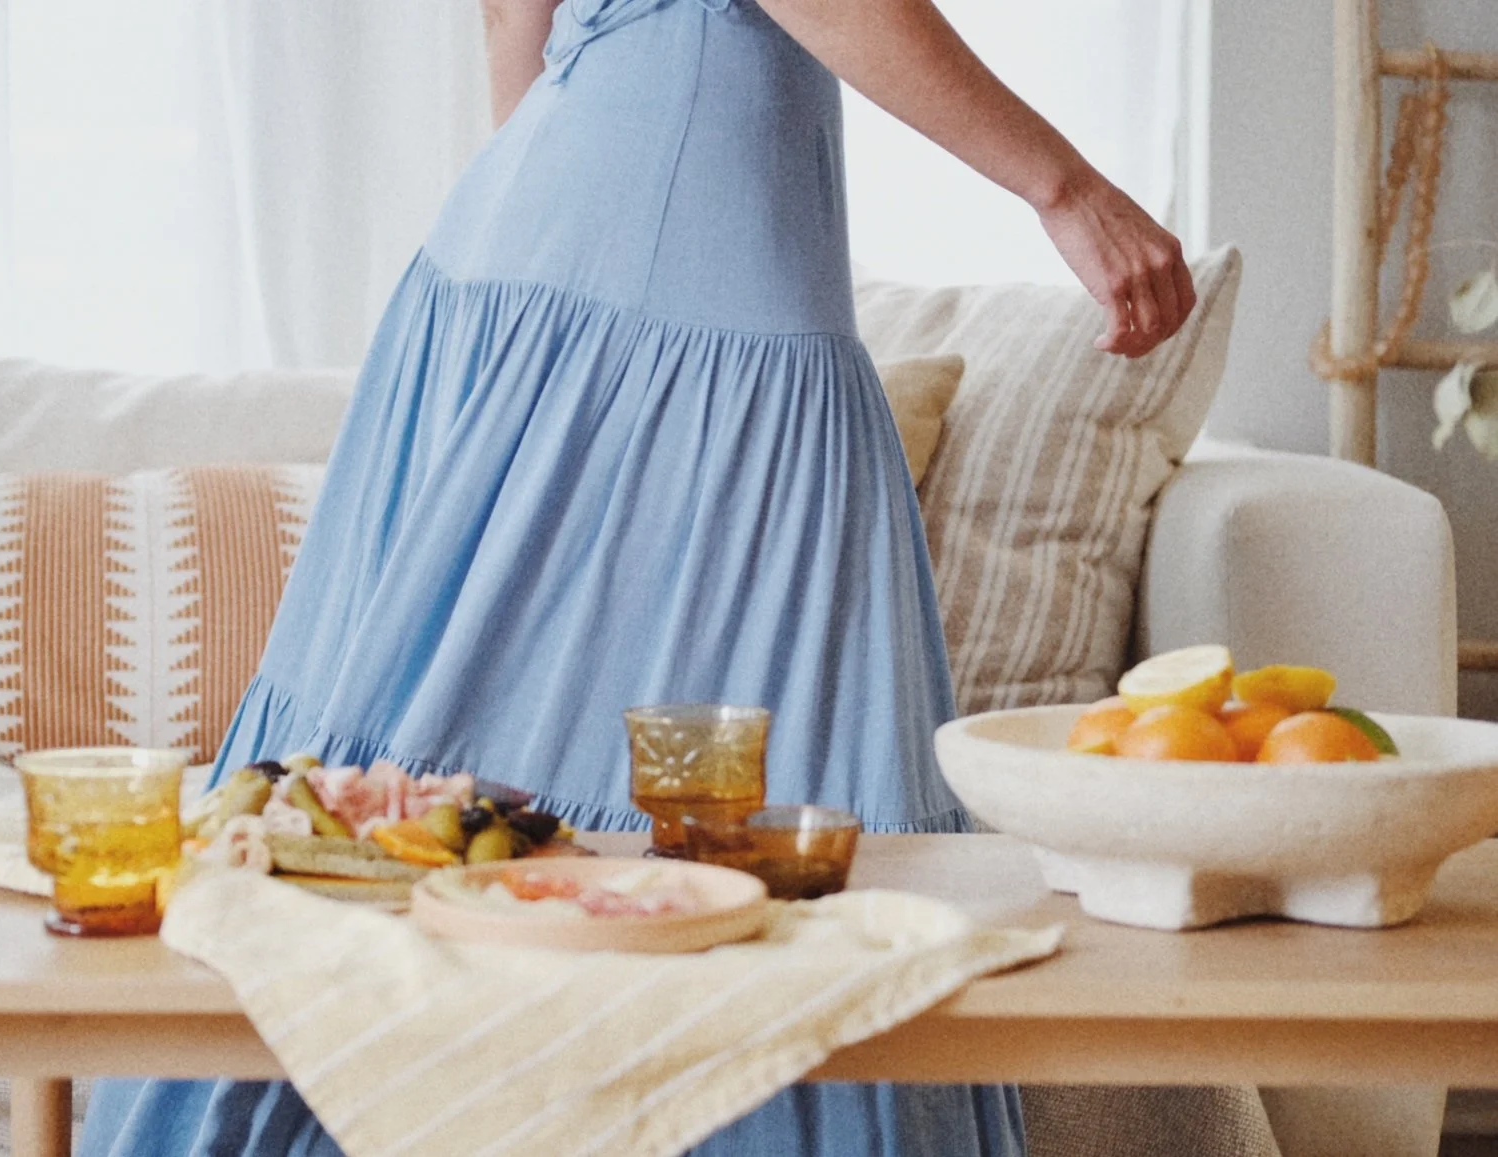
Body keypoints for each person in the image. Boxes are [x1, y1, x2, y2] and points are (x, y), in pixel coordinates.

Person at [77, 1, 1193, 1154]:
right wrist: (1067, 190)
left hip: (539, 228)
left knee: (430, 754)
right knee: (751, 812)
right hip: (683, 264)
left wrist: (560, 246)